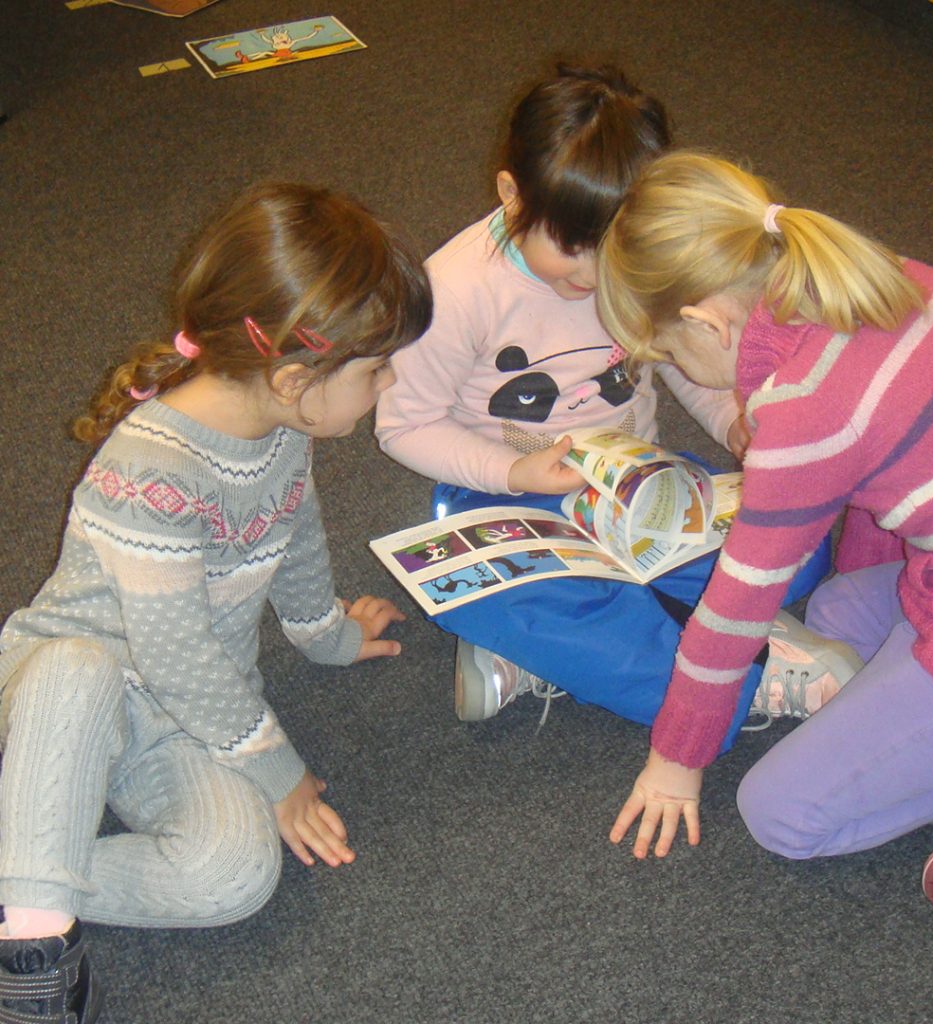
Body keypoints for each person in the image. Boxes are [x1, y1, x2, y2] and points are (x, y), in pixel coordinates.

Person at [0, 181, 432, 1020]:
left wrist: (330, 636)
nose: (390, 381)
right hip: (63, 695)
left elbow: (296, 546)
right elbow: (174, 655)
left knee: (235, 875)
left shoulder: (282, 431)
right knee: (80, 668)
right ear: (296, 376)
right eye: (377, 368)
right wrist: (279, 772)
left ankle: (27, 869)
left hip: (183, 718)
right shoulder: (151, 469)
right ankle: (33, 945)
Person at [597, 150, 933, 918]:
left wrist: (676, 759)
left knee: (781, 816)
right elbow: (893, 481)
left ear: (705, 322)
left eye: (669, 353)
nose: (674, 365)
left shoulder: (806, 409)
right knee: (832, 615)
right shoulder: (886, 278)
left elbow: (735, 610)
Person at [375, 64, 833, 737]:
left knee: (801, 545)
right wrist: (514, 472)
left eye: (611, 252)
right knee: (524, 602)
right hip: (500, 492)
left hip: (638, 484)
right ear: (511, 194)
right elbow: (404, 426)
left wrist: (730, 420)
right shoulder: (456, 291)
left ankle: (552, 650)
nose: (594, 277)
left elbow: (679, 354)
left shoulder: (641, 257)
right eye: (572, 250)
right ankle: (728, 675)